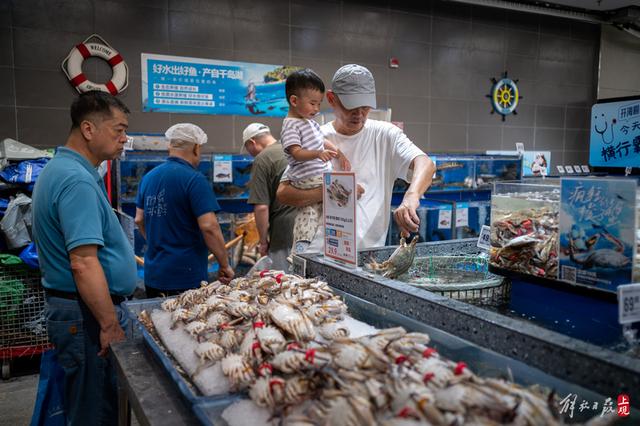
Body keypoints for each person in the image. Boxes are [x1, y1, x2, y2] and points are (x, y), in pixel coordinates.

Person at [32, 90, 137, 425]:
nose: (124, 139)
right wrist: (109, 324)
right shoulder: (75, 179)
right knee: (95, 413)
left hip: (79, 312)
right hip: (86, 317)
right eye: (118, 130)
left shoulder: (63, 169)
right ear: (89, 129)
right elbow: (83, 261)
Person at [277, 64, 436, 252]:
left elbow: (425, 163)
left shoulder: (384, 135)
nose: (359, 114)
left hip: (365, 258)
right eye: (351, 106)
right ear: (331, 99)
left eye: (365, 107)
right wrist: (335, 191)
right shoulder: (315, 135)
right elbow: (284, 193)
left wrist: (411, 197)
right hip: (316, 253)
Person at [134, 123, 234, 298]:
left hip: (153, 275)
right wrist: (224, 265)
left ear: (170, 146)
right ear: (196, 148)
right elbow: (209, 227)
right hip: (185, 277)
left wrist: (157, 242)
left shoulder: (148, 178)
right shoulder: (195, 180)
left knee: (158, 322)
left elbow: (139, 220)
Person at [280, 68, 350, 256]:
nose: (317, 109)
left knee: (320, 211)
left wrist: (338, 153)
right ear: (294, 101)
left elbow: (321, 140)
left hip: (317, 175)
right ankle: (300, 249)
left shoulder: (309, 122)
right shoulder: (291, 125)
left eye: (318, 104)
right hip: (307, 177)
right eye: (312, 103)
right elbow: (295, 152)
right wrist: (317, 154)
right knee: (309, 211)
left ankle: (317, 245)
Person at [242, 123, 296, 271]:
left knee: (285, 285)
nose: (249, 153)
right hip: (310, 229)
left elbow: (261, 207)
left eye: (248, 149)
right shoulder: (292, 149)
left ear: (252, 142)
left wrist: (263, 241)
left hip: (283, 233)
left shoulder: (263, 159)